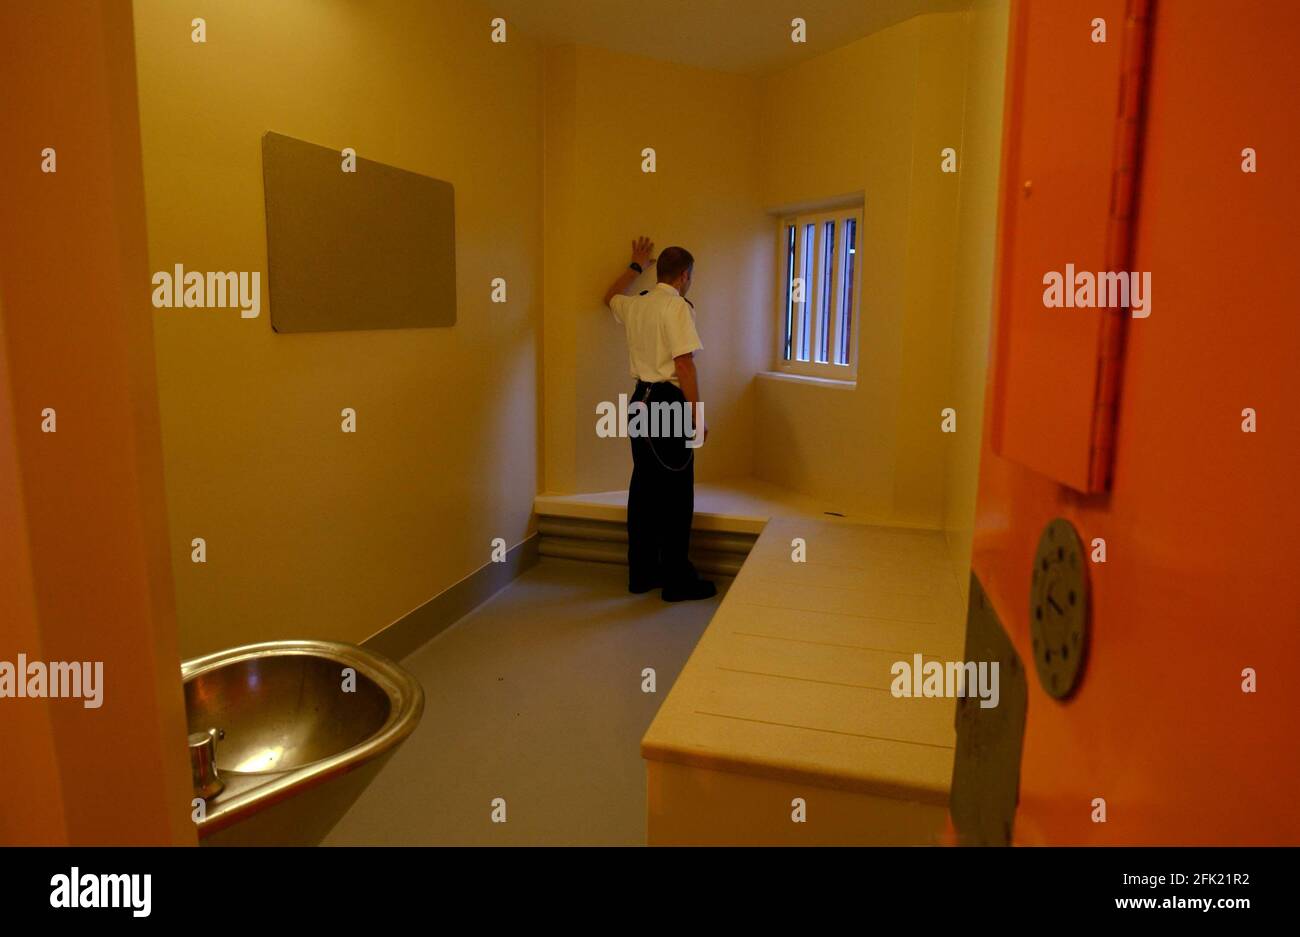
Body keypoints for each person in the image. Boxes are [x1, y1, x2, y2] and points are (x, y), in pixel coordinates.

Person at [603, 237, 716, 602]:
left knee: (645, 489)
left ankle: (642, 573)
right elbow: (684, 364)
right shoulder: (677, 307)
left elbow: (609, 297)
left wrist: (635, 266)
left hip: (640, 403)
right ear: (685, 275)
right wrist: (696, 415)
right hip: (667, 402)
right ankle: (677, 581)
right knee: (676, 495)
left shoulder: (638, 305)